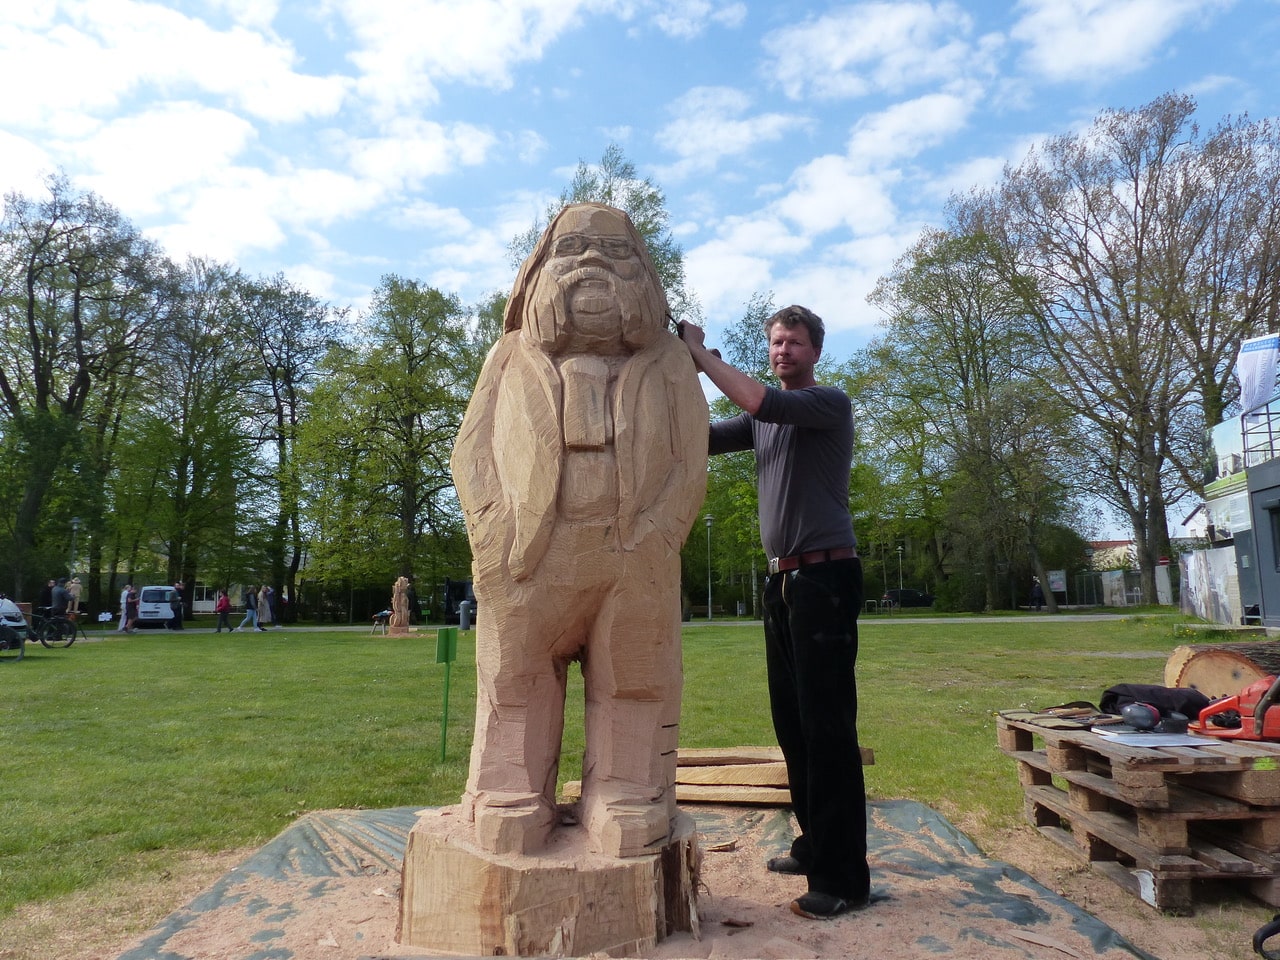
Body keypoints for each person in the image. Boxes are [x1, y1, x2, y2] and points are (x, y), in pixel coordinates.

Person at [681, 305, 869, 921]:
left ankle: (844, 879)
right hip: (783, 582)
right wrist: (666, 375)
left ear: (815, 350)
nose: (783, 349)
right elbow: (699, 437)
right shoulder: (762, 419)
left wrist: (700, 353)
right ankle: (815, 846)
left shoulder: (824, 404)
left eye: (793, 342)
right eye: (776, 342)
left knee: (828, 729)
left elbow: (761, 402)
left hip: (825, 579)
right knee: (792, 725)